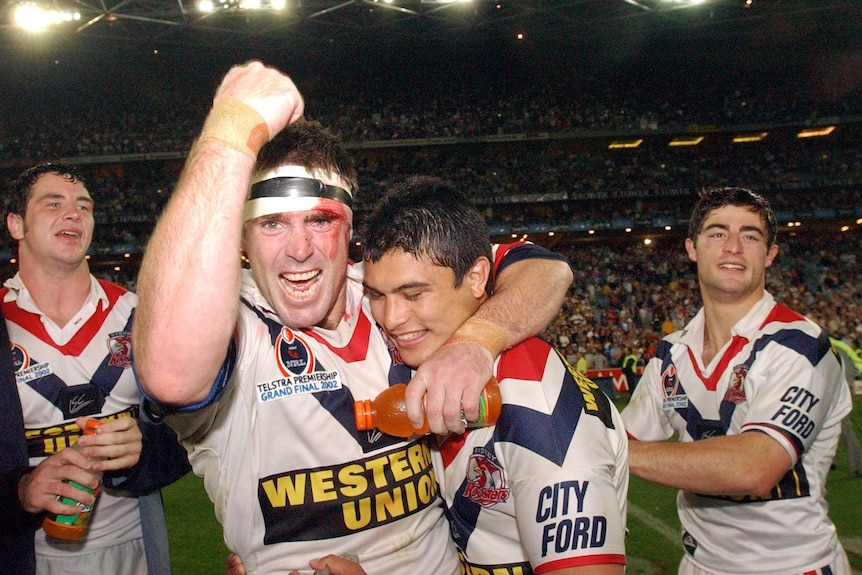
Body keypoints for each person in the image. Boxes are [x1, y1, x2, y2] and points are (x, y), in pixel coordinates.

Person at [132, 61, 573, 574]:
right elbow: (171, 374)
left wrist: (474, 342)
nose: (299, 250)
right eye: (272, 223)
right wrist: (227, 135)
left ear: (349, 229)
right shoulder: (231, 319)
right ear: (241, 239)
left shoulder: (391, 290)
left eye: (321, 220)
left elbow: (546, 270)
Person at [360, 176, 628, 574]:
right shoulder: (431, 363)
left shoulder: (540, 409)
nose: (392, 319)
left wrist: (475, 342)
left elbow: (551, 269)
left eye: (414, 295)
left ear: (477, 278)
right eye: (376, 296)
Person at [621, 187, 852, 575]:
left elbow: (753, 468)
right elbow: (627, 434)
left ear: (770, 255)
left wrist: (611, 450)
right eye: (717, 233)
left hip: (793, 567)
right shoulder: (672, 353)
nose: (733, 247)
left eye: (750, 236)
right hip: (699, 565)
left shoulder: (799, 344)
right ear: (692, 248)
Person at [3, 162, 191, 574]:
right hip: (26, 555)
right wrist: (21, 490)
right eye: (54, 203)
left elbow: (190, 438)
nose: (74, 213)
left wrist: (144, 448)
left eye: (84, 206)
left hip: (136, 550)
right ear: (16, 224)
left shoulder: (140, 316)